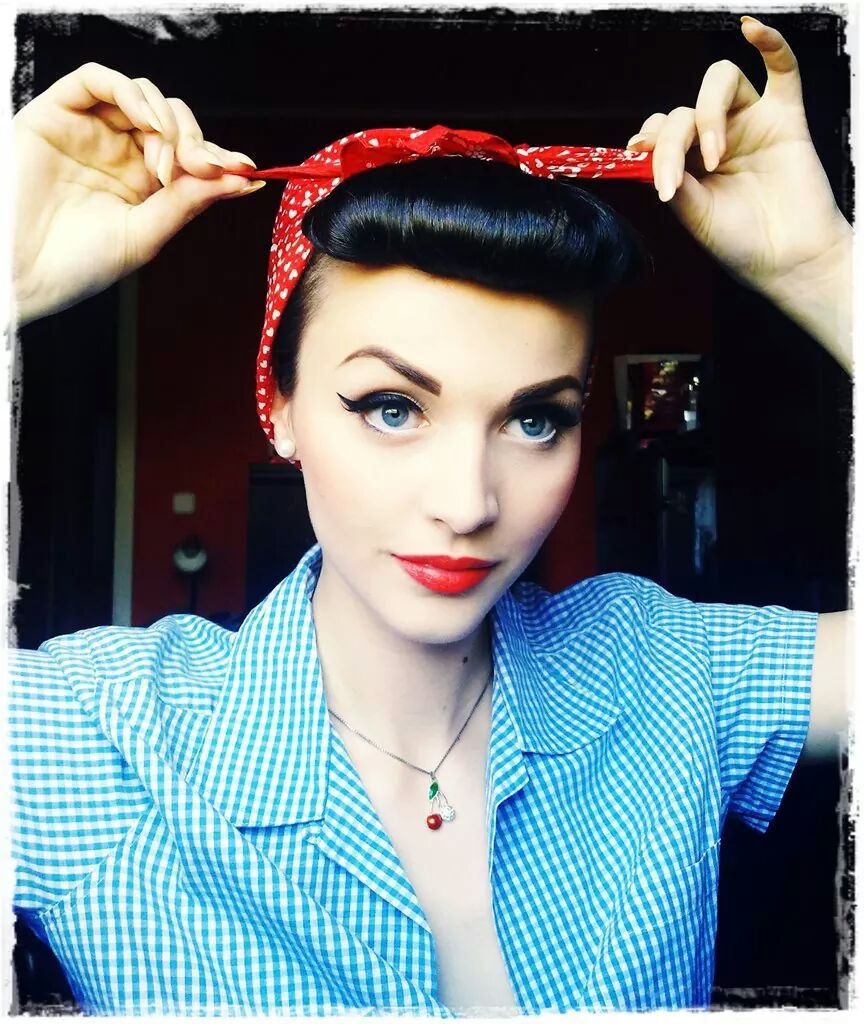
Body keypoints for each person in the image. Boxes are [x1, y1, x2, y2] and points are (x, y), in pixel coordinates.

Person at [8, 15, 852, 1016]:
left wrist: (824, 271)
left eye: (535, 419)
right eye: (392, 407)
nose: (468, 503)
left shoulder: (660, 671)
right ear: (279, 407)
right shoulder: (97, 737)